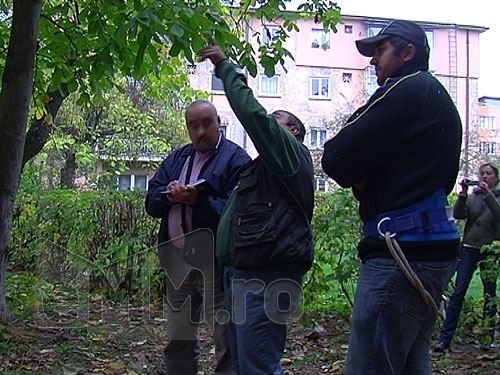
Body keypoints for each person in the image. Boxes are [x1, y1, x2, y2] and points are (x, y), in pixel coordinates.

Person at [321, 20, 462, 374]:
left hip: (402, 253)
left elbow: (336, 157)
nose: (372, 62)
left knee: (370, 366)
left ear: (408, 52)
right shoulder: (433, 95)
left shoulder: (406, 89)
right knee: (410, 362)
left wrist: (363, 175)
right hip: (427, 246)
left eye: (380, 51)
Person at [198, 44, 314, 375]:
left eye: (274, 121)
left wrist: (225, 68)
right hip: (243, 272)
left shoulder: (291, 155)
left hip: (265, 276)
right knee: (241, 363)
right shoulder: (263, 168)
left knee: (257, 365)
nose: (265, 125)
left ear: (293, 132)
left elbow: (252, 114)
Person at [145, 100, 251, 375]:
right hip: (177, 260)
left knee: (225, 336)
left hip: (215, 263)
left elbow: (239, 212)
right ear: (188, 128)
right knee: (178, 337)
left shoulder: (236, 159)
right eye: (194, 125)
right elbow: (151, 201)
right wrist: (167, 195)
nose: (201, 131)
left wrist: (198, 201)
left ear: (219, 123)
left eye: (207, 123)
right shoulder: (178, 158)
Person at [435, 163, 500, 352]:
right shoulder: (473, 198)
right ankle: (445, 339)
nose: (485, 177)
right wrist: (462, 195)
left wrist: (488, 195)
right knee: (458, 293)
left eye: (489, 174)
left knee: (489, 295)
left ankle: (486, 339)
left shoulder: (495, 197)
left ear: (496, 178)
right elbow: (458, 214)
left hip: (489, 250)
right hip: (469, 249)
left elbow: (498, 215)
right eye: (482, 174)